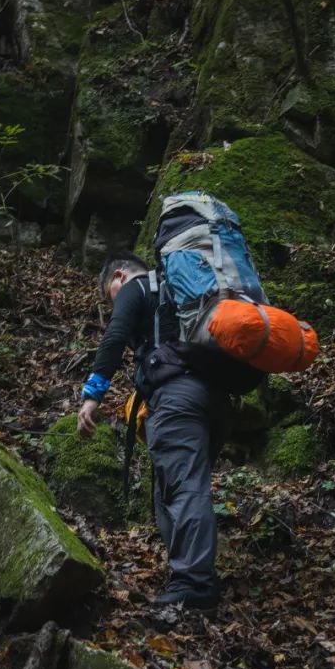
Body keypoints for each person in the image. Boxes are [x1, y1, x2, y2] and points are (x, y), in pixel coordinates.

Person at [77, 250, 232, 610]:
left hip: (177, 399)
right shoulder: (182, 295)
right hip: (217, 399)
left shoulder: (136, 285)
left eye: (108, 296)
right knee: (169, 492)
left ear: (118, 276)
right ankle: (189, 575)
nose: (113, 304)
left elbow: (115, 335)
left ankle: (195, 583)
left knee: (183, 487)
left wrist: (92, 395)